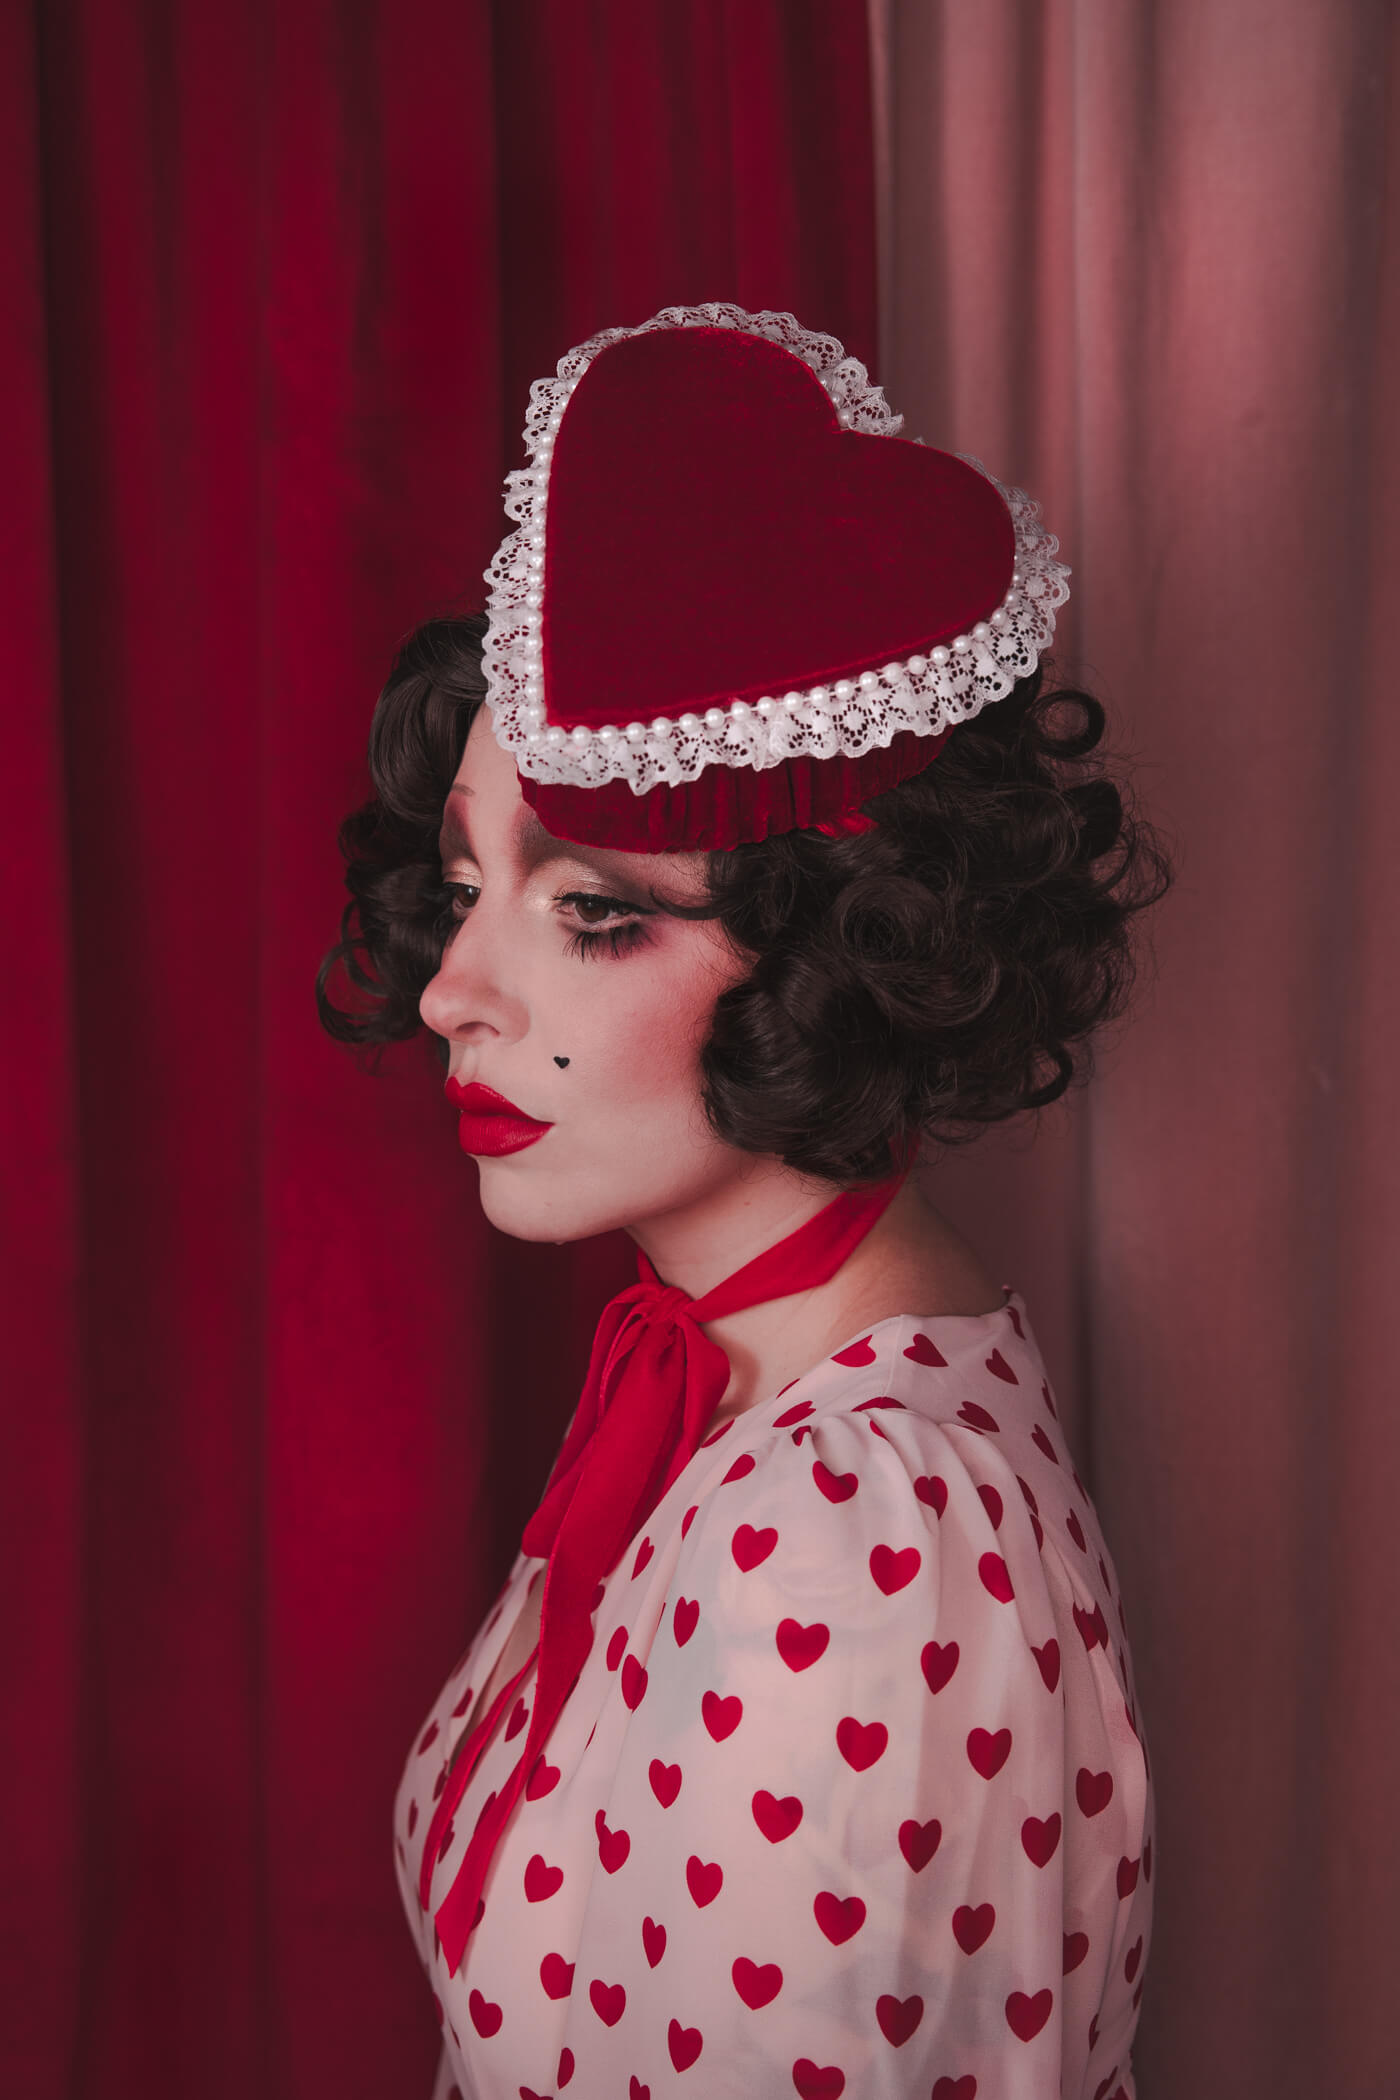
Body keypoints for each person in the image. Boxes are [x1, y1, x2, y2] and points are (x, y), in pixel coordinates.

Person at [317, 305, 1173, 2100]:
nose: (455, 989)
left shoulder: (851, 1531)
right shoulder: (740, 1403)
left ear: (850, 950)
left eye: (594, 908)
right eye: (467, 885)